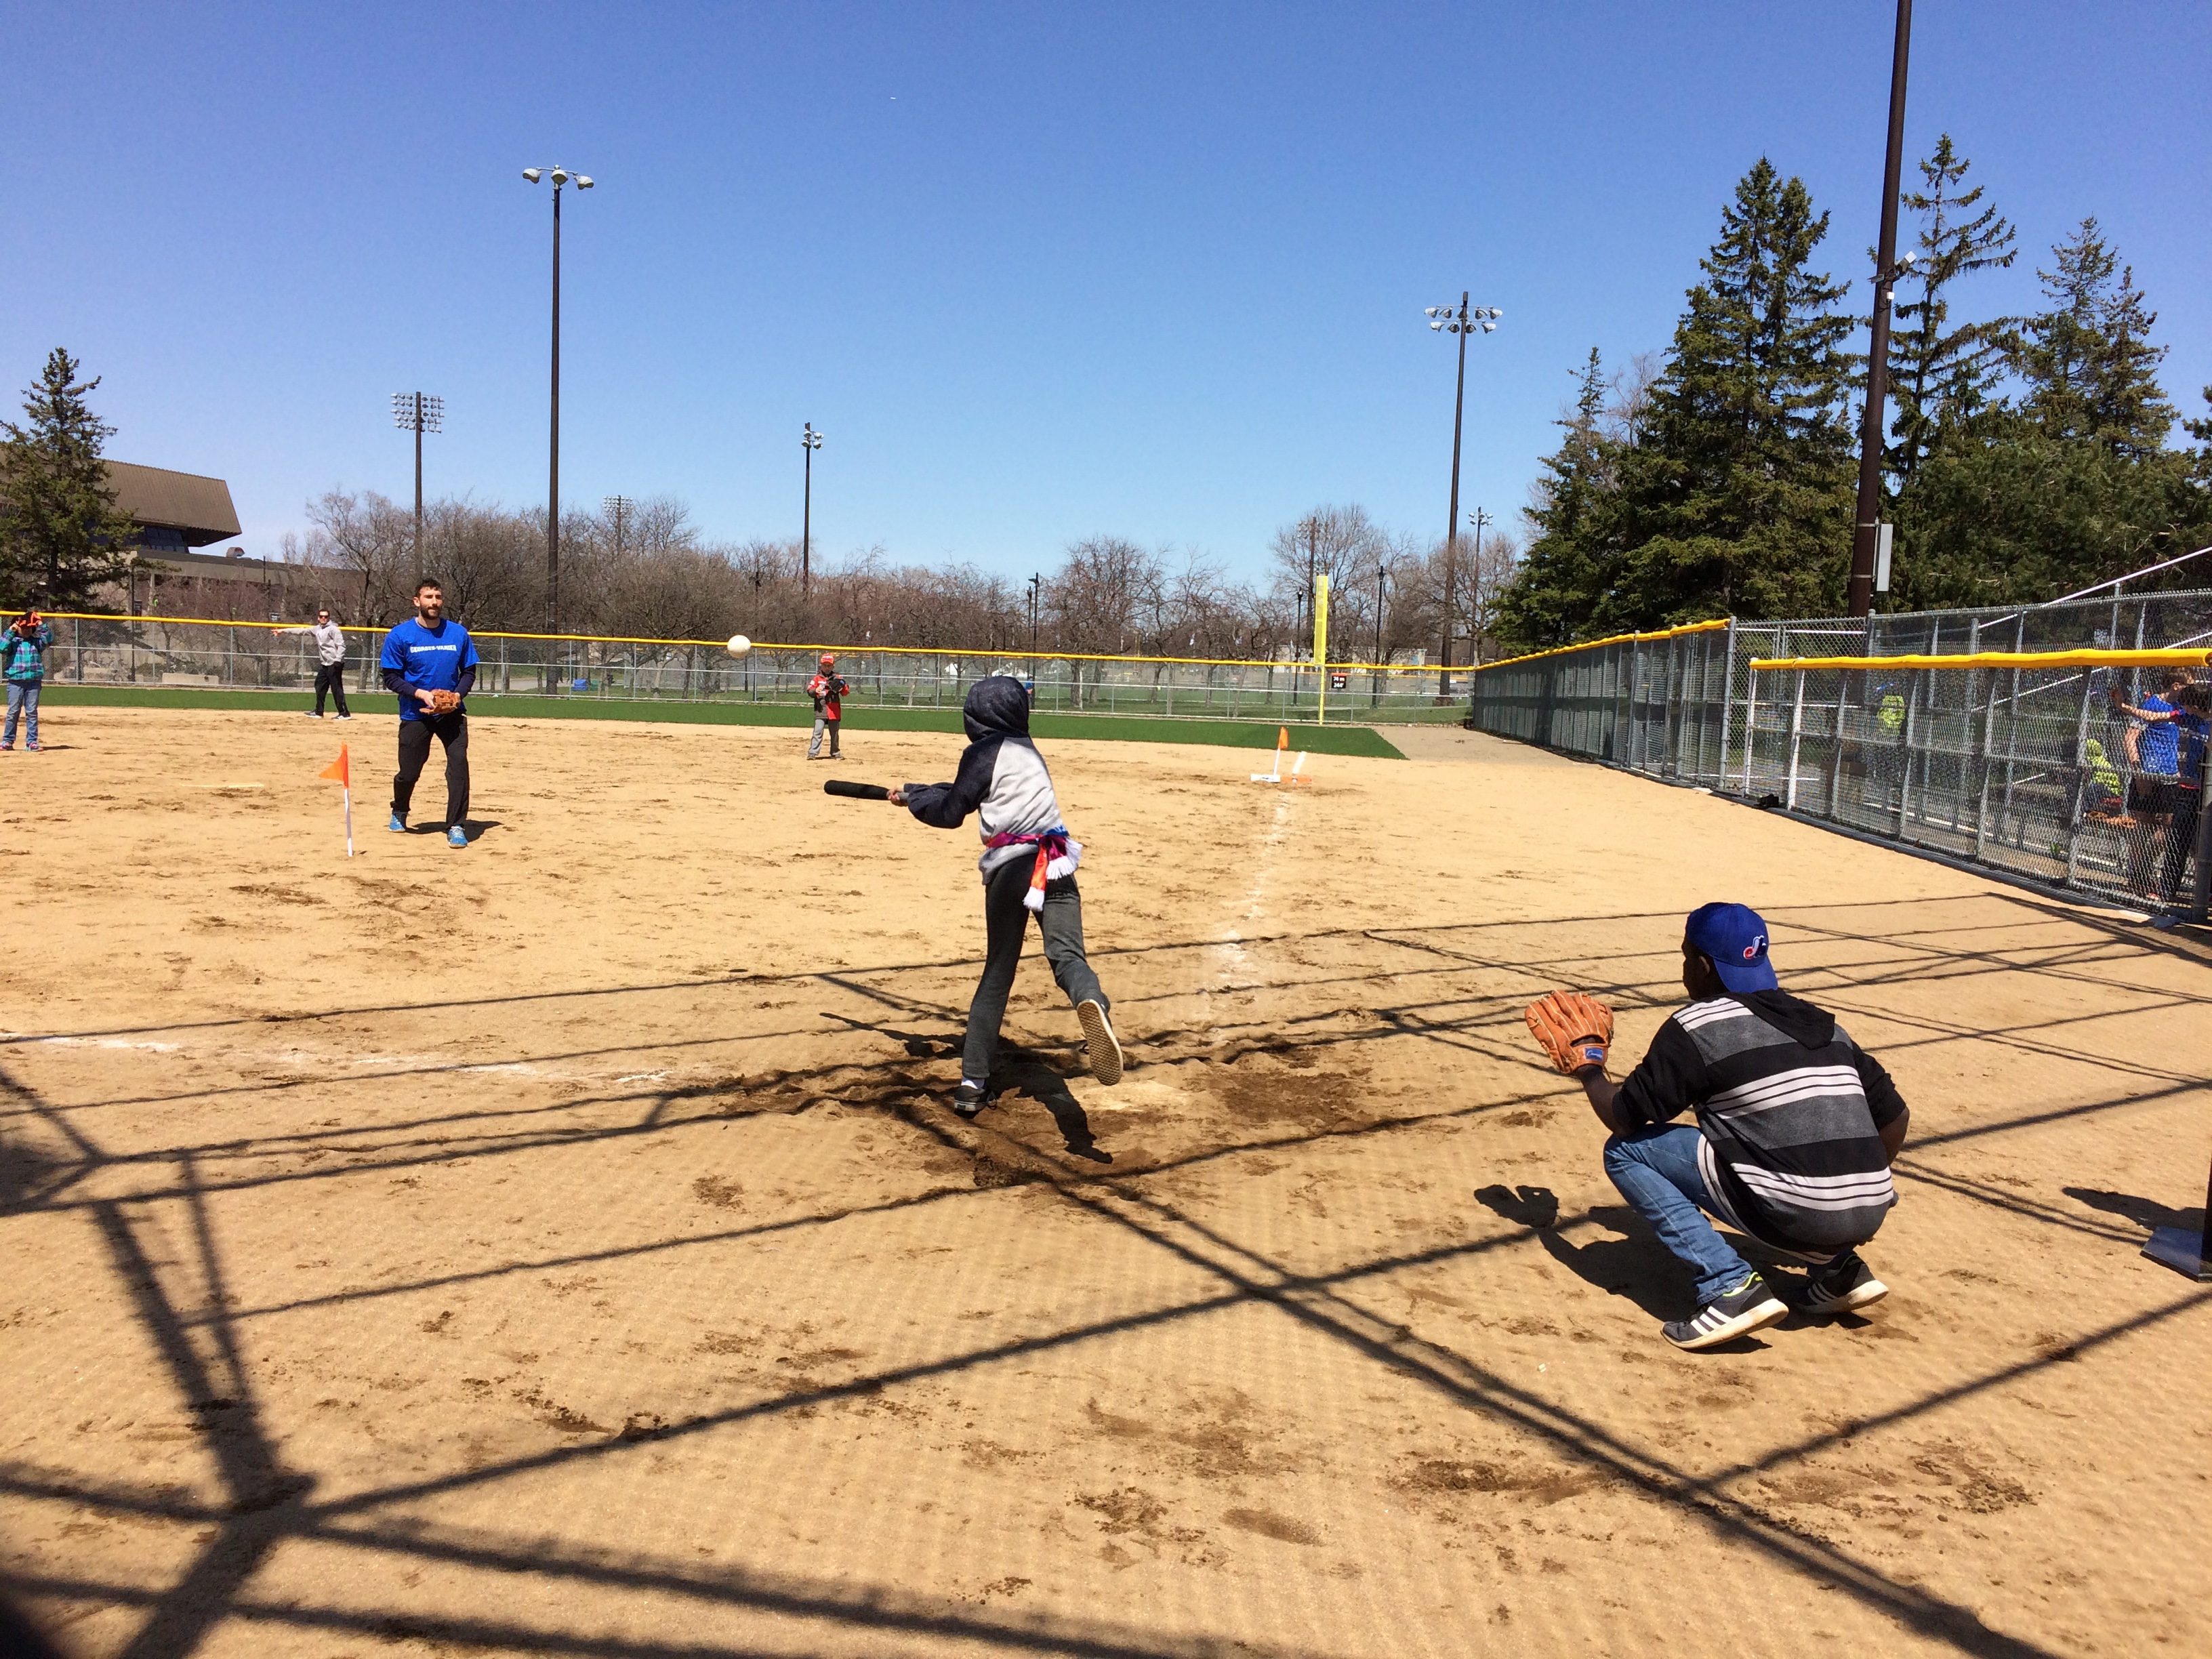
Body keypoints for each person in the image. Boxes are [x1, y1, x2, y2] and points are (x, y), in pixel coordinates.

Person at [1532, 903, 1910, 1351]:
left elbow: (1623, 1117)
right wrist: (1856, 1184)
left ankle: (1728, 1287)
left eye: (1686, 956)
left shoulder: (1698, 1025)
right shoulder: (1826, 1026)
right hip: (1871, 1208)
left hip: (1799, 1212)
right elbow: (1896, 1117)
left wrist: (1590, 1066)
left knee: (1626, 1151)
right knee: (1778, 1151)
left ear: (1703, 966)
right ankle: (1839, 1270)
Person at [890, 674, 1122, 1117]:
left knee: (998, 973)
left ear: (976, 716)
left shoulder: (980, 753)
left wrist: (917, 804)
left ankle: (972, 1084)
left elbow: (953, 811)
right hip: (1055, 860)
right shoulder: (1025, 748)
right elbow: (969, 790)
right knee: (1068, 957)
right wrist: (916, 791)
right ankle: (1092, 1003)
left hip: (1013, 868)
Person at [378, 579, 479, 848]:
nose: (434, 602)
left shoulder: (458, 633)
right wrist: (420, 694)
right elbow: (391, 677)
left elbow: (469, 672)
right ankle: (400, 808)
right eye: (428, 597)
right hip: (416, 714)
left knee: (458, 766)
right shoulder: (400, 635)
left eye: (438, 596)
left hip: (451, 714)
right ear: (417, 601)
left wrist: (457, 695)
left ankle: (456, 825)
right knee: (408, 773)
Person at [2111, 678, 2209, 905]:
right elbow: (2153, 717)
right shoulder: (2186, 716)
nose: (2183, 707)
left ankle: (2204, 891)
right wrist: (2124, 707)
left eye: (2187, 704)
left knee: (2188, 836)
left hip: (2192, 783)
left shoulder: (2198, 717)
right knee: (2173, 836)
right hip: (2182, 784)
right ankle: (2150, 880)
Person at [283, 607, 352, 719]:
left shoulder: (333, 629)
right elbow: (302, 631)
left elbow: (342, 645)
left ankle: (344, 713)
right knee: (319, 686)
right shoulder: (317, 629)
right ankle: (319, 711)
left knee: (336, 688)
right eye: (321, 616)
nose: (323, 618)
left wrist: (338, 660)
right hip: (325, 664)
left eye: (325, 616)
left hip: (334, 663)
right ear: (318, 618)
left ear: (328, 618)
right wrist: (283, 631)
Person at [2, 611, 53, 752]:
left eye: (29, 627)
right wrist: (11, 630)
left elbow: (48, 640)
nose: (26, 630)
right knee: (13, 712)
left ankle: (31, 742)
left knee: (31, 712)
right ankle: (7, 741)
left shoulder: (36, 642)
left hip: (33, 682)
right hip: (15, 682)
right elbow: (1, 647)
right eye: (23, 627)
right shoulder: (12, 642)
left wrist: (40, 623)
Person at [806, 654, 848, 760]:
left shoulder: (838, 678)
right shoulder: (817, 678)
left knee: (834, 733)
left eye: (829, 665)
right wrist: (815, 690)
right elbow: (809, 691)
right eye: (825, 665)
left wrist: (842, 685)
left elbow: (845, 692)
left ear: (833, 666)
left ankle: (835, 752)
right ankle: (813, 753)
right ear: (821, 666)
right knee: (818, 732)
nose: (827, 668)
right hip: (821, 710)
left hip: (834, 711)